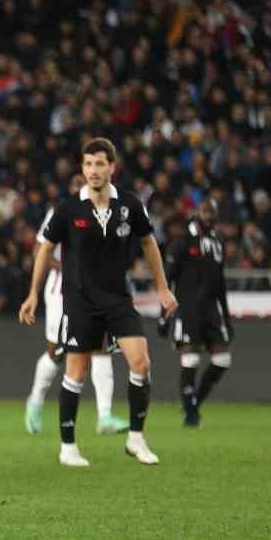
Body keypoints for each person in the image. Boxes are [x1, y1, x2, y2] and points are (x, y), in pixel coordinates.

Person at [19, 138, 178, 468]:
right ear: (82, 168)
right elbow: (45, 250)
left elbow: (149, 245)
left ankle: (136, 438)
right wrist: (33, 293)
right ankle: (68, 448)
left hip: (118, 300)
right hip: (79, 302)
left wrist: (163, 288)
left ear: (112, 167)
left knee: (141, 362)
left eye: (100, 164)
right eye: (88, 164)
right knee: (76, 371)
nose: (93, 171)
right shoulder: (67, 209)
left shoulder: (130, 206)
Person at [24, 211, 129, 435]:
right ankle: (35, 402)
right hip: (60, 293)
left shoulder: (106, 212)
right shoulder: (61, 211)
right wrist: (65, 267)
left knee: (102, 347)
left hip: (94, 291)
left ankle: (105, 416)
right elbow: (39, 250)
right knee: (57, 352)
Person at [166, 198, 233, 427]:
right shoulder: (184, 240)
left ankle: (193, 403)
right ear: (197, 213)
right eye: (205, 212)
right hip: (188, 309)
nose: (209, 216)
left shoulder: (218, 241)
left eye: (212, 212)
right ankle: (190, 413)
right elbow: (169, 277)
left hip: (212, 310)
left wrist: (226, 315)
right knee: (191, 358)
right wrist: (164, 313)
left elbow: (220, 281)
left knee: (223, 359)